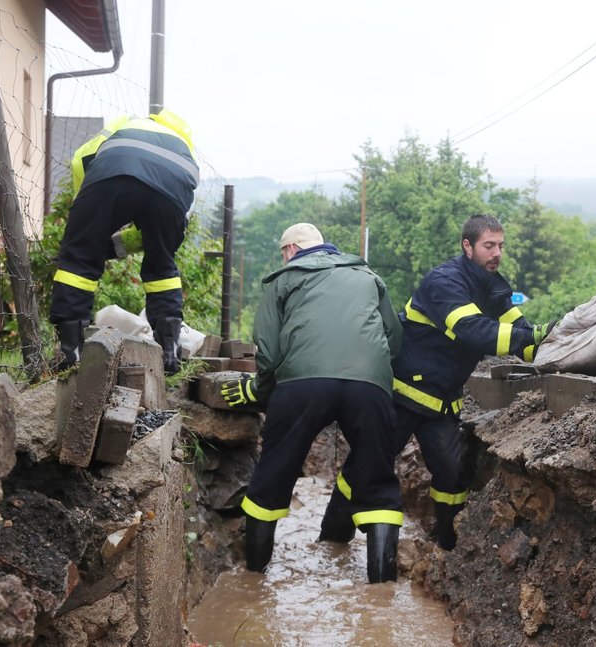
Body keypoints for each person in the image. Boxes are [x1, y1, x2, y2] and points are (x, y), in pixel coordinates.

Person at [320, 214, 556, 551]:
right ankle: (334, 539)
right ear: (467, 246)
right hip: (402, 397)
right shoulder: (444, 282)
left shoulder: (495, 287)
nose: (497, 253)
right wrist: (529, 336)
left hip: (442, 403)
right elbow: (473, 331)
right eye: (489, 245)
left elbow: (523, 335)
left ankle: (446, 546)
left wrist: (560, 337)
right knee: (366, 466)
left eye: (501, 245)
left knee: (451, 475)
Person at [220, 223, 405, 583]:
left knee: (274, 471)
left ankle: (254, 578)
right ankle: (382, 591)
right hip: (370, 387)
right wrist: (371, 376)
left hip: (302, 385)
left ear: (289, 249)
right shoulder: (368, 277)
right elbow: (394, 339)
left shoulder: (283, 280)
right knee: (378, 477)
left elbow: (269, 354)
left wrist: (256, 392)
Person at [50, 110, 200, 374]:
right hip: (173, 190)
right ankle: (169, 354)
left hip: (113, 171)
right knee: (162, 264)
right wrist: (126, 242)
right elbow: (163, 228)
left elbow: (81, 159)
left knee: (78, 260)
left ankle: (71, 354)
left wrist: (88, 225)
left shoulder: (126, 124)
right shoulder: (183, 143)